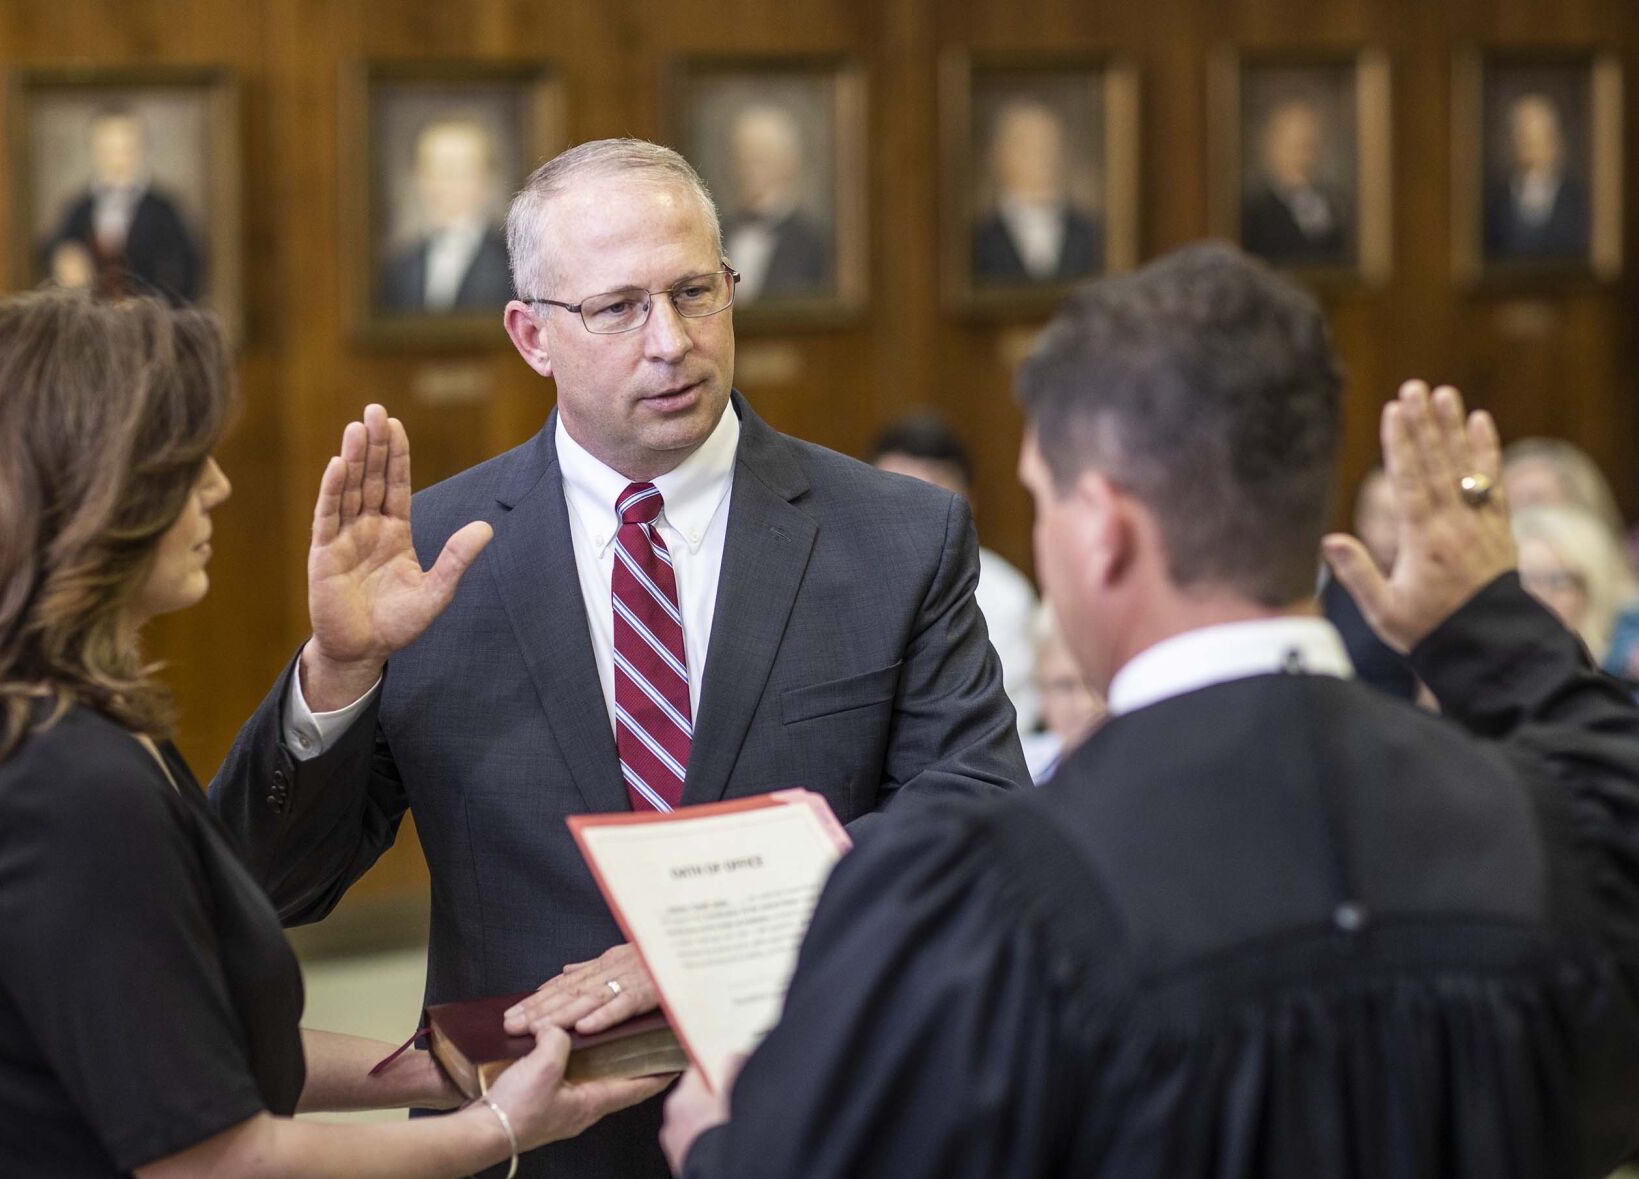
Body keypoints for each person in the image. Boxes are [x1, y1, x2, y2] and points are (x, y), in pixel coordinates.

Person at [660, 243, 1639, 1178]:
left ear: (1104, 529)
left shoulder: (980, 897)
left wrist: (722, 1147)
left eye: (1042, 499)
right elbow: (1604, 764)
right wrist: (1485, 627)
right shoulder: (1548, 835)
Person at [209, 138, 1027, 1179]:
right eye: (618, 307)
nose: (671, 342)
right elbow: (266, 886)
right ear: (530, 334)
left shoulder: (896, 537)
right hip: (526, 1145)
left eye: (695, 293)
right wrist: (337, 675)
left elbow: (971, 819)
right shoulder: (433, 556)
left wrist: (706, 944)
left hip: (827, 1122)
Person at [0, 291, 665, 1177]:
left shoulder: (75, 726)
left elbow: (191, 1050)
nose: (216, 484)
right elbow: (209, 1155)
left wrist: (447, 1069)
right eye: (182, 460)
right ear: (83, 487)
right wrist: (499, 1130)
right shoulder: (63, 783)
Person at [869, 412, 1041, 734]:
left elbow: (1012, 720)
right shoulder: (840, 584)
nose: (908, 516)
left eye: (926, 494)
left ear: (967, 501)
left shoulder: (1006, 596)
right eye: (893, 495)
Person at [43, 108, 202, 303]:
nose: (117, 160)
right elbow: (54, 251)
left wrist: (148, 303)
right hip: (90, 321)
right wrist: (63, 258)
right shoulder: (79, 209)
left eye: (126, 149)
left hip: (148, 322)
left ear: (141, 150)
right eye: (108, 150)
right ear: (94, 151)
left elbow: (185, 273)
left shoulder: (164, 210)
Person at [381, 117, 517, 314]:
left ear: (486, 179)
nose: (445, 183)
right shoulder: (400, 269)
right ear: (419, 179)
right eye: (435, 170)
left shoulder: (510, 263)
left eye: (459, 170)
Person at [972, 99, 1100, 285]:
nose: (1042, 156)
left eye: (1049, 144)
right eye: (1027, 145)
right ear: (1000, 154)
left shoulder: (1089, 231)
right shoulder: (978, 239)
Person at [1319, 466, 1419, 700]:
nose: (1392, 532)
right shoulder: (1330, 596)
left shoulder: (1441, 594)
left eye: (1403, 518)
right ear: (1361, 519)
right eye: (1384, 517)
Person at [722, 104, 829, 302]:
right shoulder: (718, 233)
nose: (746, 169)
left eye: (759, 158)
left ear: (788, 162)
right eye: (741, 157)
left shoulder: (812, 243)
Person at [1514, 503, 1635, 670]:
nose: (1538, 596)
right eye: (1524, 581)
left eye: (1558, 581)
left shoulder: (1624, 671)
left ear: (1593, 589)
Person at [1240, 98, 1350, 266]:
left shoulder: (1339, 202)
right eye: (1296, 145)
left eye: (1311, 143)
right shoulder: (1254, 209)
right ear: (1273, 147)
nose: (1305, 154)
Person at [1484, 94, 1589, 262]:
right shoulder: (1494, 199)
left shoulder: (1577, 198)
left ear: (1555, 140)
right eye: (1523, 136)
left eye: (1538, 137)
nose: (1530, 146)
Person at [1017, 605, 1105, 784]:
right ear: (1039, 689)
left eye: (1095, 683)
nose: (1086, 704)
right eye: (1064, 686)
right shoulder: (1015, 773)